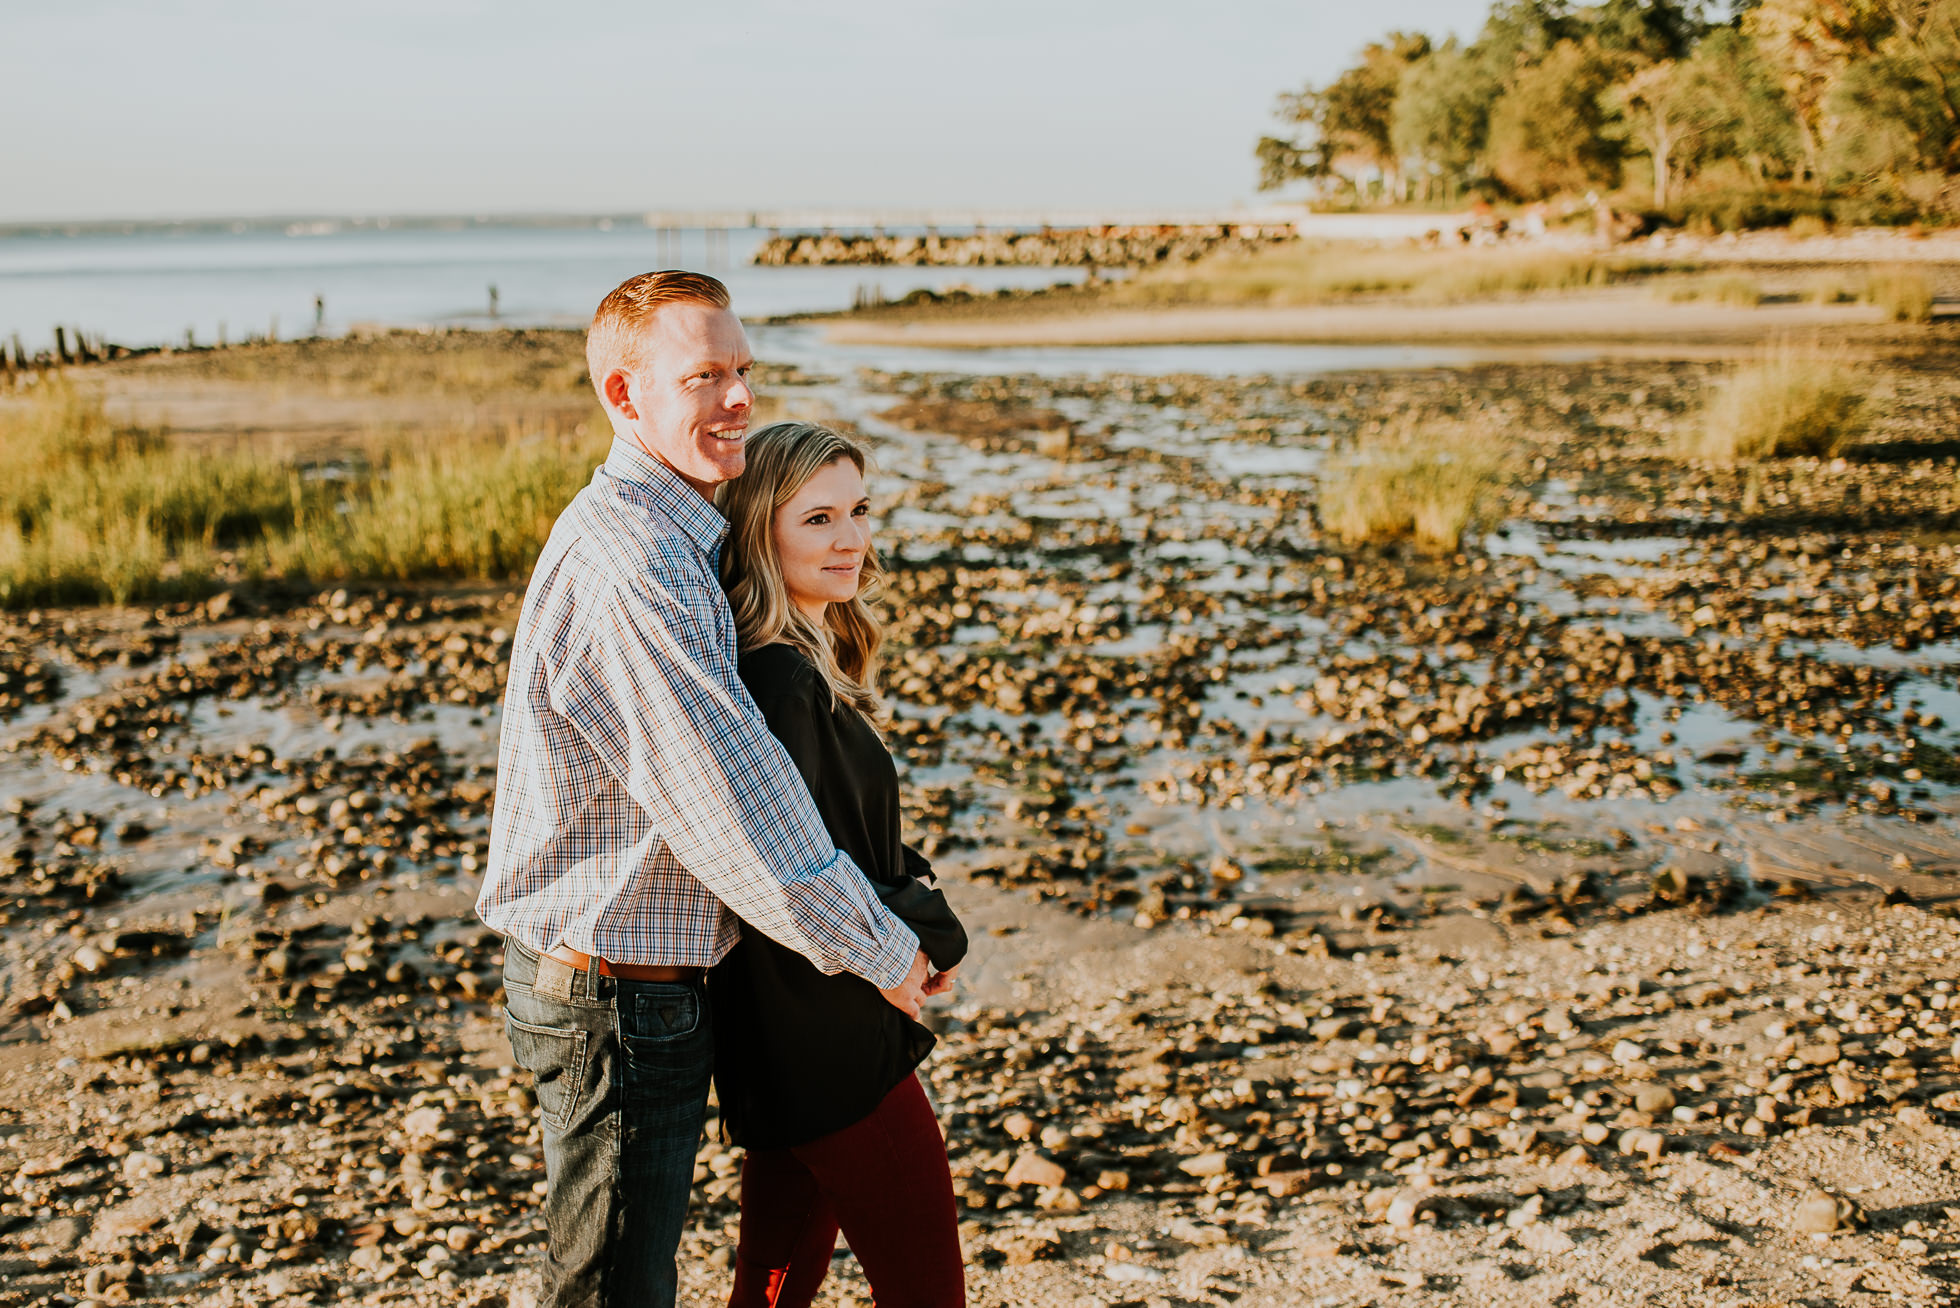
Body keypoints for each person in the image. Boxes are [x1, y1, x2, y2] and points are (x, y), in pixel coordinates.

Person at [476, 271, 933, 1308]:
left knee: (621, 1277)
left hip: (638, 985)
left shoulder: (681, 539)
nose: (735, 399)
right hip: (616, 995)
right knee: (610, 1291)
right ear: (625, 396)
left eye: (742, 371)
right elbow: (731, 809)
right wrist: (885, 952)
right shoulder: (639, 559)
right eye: (702, 377)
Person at [712, 422, 969, 1308]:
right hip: (828, 1030)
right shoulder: (780, 682)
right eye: (818, 519)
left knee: (775, 1286)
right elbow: (801, 871)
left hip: (790, 1028)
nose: (852, 539)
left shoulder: (796, 664)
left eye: (859, 510)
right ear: (758, 532)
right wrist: (918, 939)